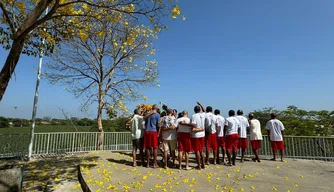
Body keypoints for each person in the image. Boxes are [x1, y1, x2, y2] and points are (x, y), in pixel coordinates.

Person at [181, 104, 206, 169]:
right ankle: (203, 164)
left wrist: (184, 124)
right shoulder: (203, 115)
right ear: (199, 110)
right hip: (202, 134)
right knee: (201, 150)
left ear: (194, 110)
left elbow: (193, 124)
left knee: (197, 150)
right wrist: (201, 105)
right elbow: (204, 110)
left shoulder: (194, 116)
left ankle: (199, 165)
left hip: (196, 135)